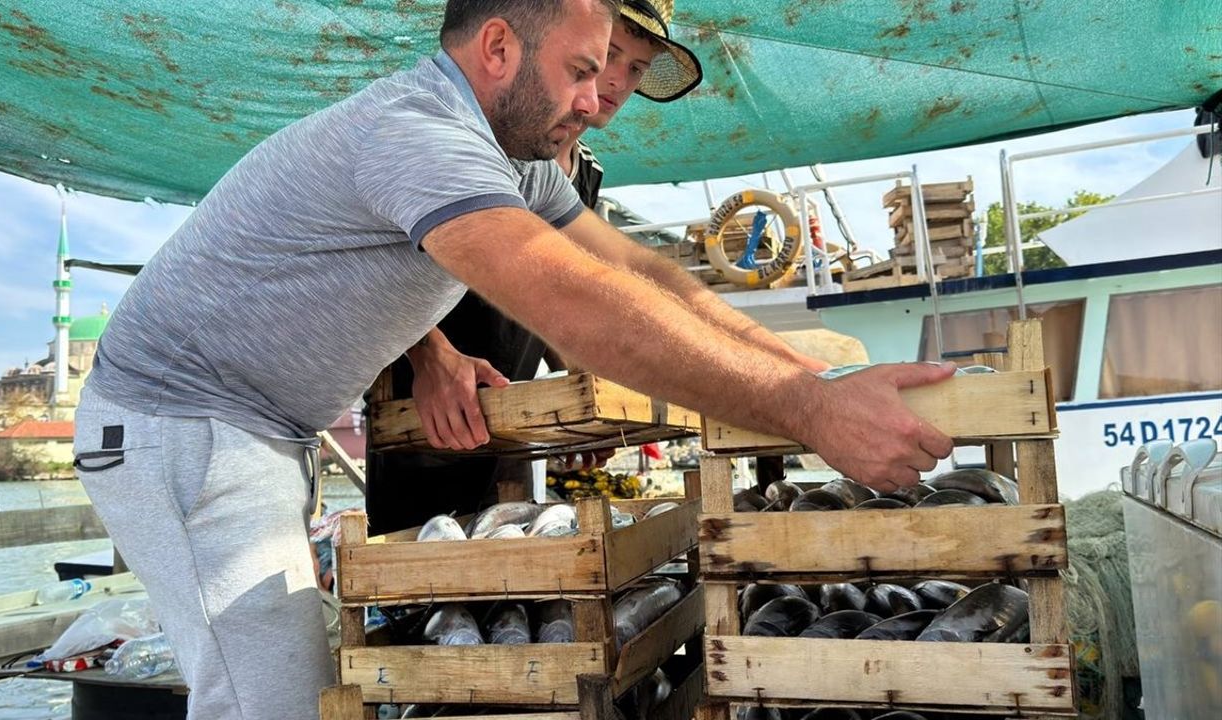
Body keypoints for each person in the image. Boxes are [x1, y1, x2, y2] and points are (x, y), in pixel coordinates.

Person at [73, 1, 955, 717]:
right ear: (498, 46)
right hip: (181, 421)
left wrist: (816, 377)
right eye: (580, 69)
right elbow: (577, 309)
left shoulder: (520, 161)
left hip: (266, 430)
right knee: (272, 703)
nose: (593, 99)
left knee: (297, 687)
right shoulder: (418, 131)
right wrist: (810, 414)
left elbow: (640, 275)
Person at [367, 0, 705, 532]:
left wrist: (581, 388)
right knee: (417, 565)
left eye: (635, 68)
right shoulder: (480, 141)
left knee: (505, 563)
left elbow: (559, 292)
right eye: (604, 56)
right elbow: (379, 254)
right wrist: (431, 357)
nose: (614, 80)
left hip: (512, 415)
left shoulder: (584, 175)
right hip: (426, 406)